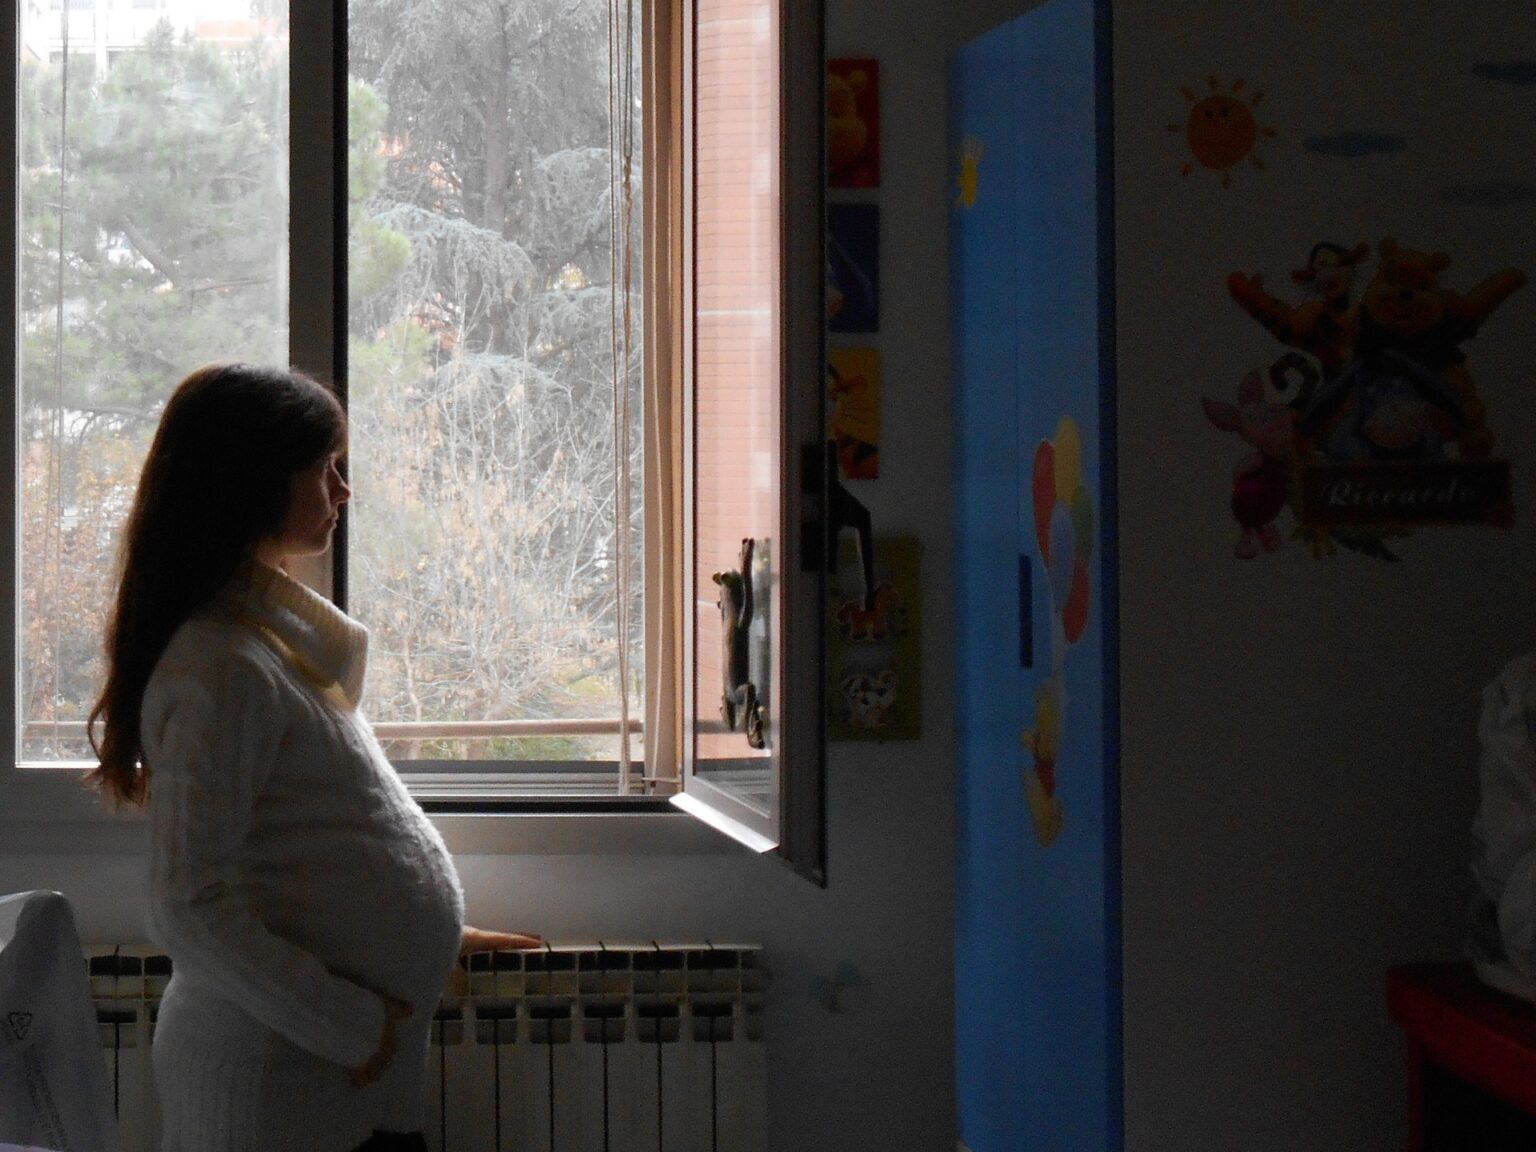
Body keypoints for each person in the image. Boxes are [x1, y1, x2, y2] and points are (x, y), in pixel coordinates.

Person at [86, 363, 539, 1152]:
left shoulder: (266, 651)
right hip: (274, 1085)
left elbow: (302, 841)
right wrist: (354, 1024)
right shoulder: (221, 668)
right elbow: (186, 904)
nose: (343, 491)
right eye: (326, 468)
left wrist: (412, 939)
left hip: (326, 1080)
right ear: (258, 480)